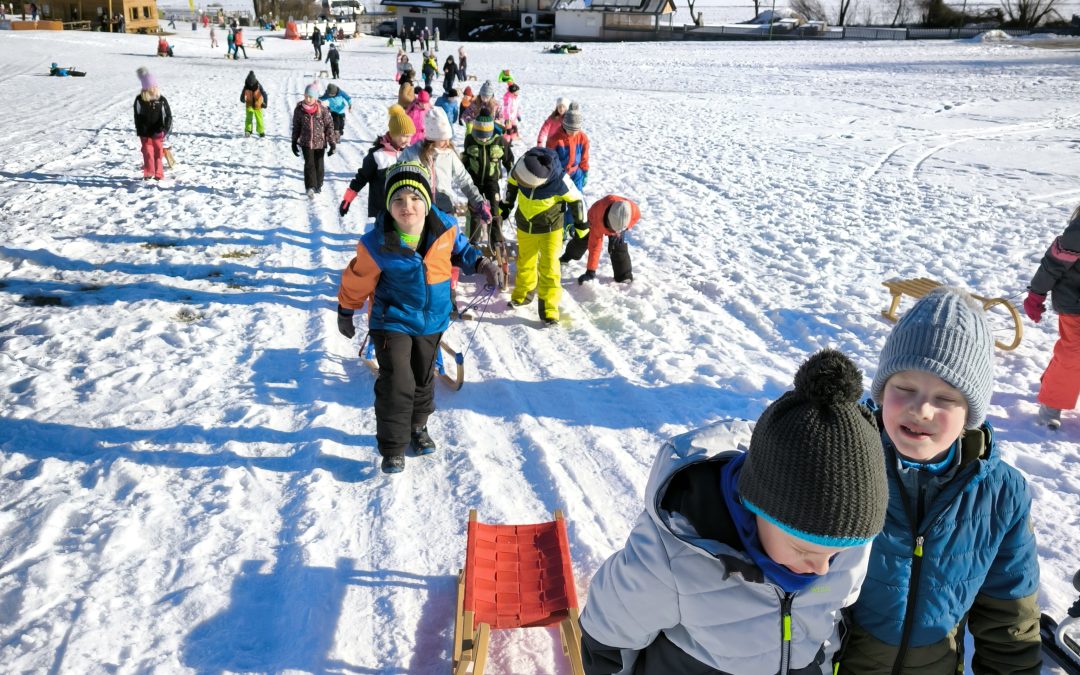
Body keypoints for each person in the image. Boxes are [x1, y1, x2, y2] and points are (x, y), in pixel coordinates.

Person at [580, 349, 890, 675]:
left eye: (837, 552)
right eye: (804, 549)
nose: (823, 569)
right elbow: (608, 638)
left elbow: (830, 626)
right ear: (758, 508)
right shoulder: (672, 559)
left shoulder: (844, 551)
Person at [840, 287, 1042, 673]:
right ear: (883, 391)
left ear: (971, 413)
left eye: (946, 398)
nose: (922, 409)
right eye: (905, 389)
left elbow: (1010, 623)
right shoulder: (845, 464)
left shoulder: (1001, 495)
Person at [335, 161, 504, 474]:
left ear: (426, 202)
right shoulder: (377, 244)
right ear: (389, 206)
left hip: (432, 320)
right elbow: (356, 279)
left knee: (424, 378)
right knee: (398, 380)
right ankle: (393, 446)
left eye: (415, 198)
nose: (407, 206)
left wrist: (482, 265)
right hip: (392, 320)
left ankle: (417, 426)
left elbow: (464, 251)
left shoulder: (445, 229)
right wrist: (346, 309)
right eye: (398, 200)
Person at [499, 147, 585, 325]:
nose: (521, 181)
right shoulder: (521, 167)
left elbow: (576, 199)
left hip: (550, 228)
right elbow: (512, 184)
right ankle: (523, 295)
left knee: (549, 267)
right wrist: (506, 205)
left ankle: (549, 309)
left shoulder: (560, 181)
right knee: (525, 261)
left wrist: (581, 225)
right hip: (525, 224)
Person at [1024, 205, 1080, 430]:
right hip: (1075, 301)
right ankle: (1051, 404)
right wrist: (1036, 293)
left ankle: (1051, 384)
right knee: (1073, 355)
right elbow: (1053, 263)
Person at [340, 105, 416, 223]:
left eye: (410, 136)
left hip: (403, 208)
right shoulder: (377, 155)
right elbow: (361, 178)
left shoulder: (409, 153)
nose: (408, 140)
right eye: (405, 136)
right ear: (393, 133)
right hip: (382, 210)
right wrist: (347, 199)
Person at [462, 110, 514, 247]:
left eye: (485, 136)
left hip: (492, 181)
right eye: (479, 136)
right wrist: (464, 173)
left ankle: (496, 239)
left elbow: (509, 159)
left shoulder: (499, 141)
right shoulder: (470, 139)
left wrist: (511, 173)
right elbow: (465, 159)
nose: (482, 139)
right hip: (474, 182)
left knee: (495, 210)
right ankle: (474, 240)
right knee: (475, 210)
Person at [561, 195, 638, 285]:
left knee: (617, 244)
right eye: (611, 230)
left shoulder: (634, 210)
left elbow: (634, 220)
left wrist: (622, 229)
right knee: (583, 238)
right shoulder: (597, 219)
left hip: (619, 223)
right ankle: (567, 256)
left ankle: (624, 276)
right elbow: (595, 246)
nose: (613, 233)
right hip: (594, 217)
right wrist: (591, 271)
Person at [546, 102, 589, 233]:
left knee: (576, 199)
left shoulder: (582, 137)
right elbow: (549, 159)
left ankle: (572, 224)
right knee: (559, 201)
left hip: (576, 174)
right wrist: (552, 175)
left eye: (576, 131)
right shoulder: (555, 139)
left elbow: (584, 156)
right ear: (564, 126)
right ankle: (560, 226)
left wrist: (585, 171)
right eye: (571, 130)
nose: (573, 133)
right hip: (560, 176)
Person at [291, 82, 336, 197]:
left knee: (319, 165)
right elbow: (296, 126)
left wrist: (332, 143)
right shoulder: (299, 110)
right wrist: (294, 141)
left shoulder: (323, 110)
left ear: (315, 97)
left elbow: (329, 126)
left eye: (310, 96)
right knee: (309, 164)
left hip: (320, 143)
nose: (307, 98)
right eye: (306, 96)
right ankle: (310, 187)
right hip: (306, 143)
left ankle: (318, 185)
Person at [133, 67, 172, 181]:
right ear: (145, 88)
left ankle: (159, 174)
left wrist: (165, 130)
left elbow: (168, 115)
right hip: (145, 132)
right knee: (147, 153)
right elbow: (137, 116)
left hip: (158, 131)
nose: (154, 88)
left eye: (155, 86)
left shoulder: (161, 100)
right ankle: (148, 173)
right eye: (151, 87)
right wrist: (140, 130)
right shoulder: (140, 100)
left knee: (158, 153)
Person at [240, 70, 268, 138]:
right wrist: (242, 98)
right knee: (248, 118)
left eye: (252, 84)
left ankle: (261, 131)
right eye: (250, 84)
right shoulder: (246, 86)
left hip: (258, 105)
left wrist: (265, 103)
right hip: (249, 104)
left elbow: (264, 94)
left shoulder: (258, 85)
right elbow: (243, 93)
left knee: (259, 119)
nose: (251, 86)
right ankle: (248, 131)